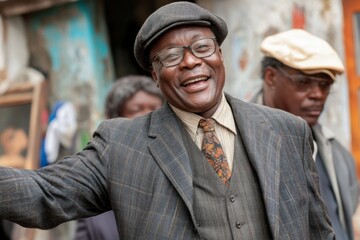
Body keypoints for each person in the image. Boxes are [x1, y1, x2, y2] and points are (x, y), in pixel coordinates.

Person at [0, 2, 335, 239]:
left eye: (202, 47)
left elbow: (319, 231)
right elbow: (44, 194)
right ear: (155, 76)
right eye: (171, 56)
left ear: (219, 55)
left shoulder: (287, 132)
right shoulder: (121, 147)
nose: (190, 62)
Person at [251, 28, 359, 240]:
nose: (318, 95)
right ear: (271, 77)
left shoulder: (337, 154)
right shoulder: (237, 143)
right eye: (303, 82)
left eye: (324, 85)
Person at [74, 75, 163, 240]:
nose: (148, 117)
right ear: (113, 119)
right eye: (137, 109)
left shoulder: (182, 168)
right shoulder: (97, 179)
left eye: (155, 109)